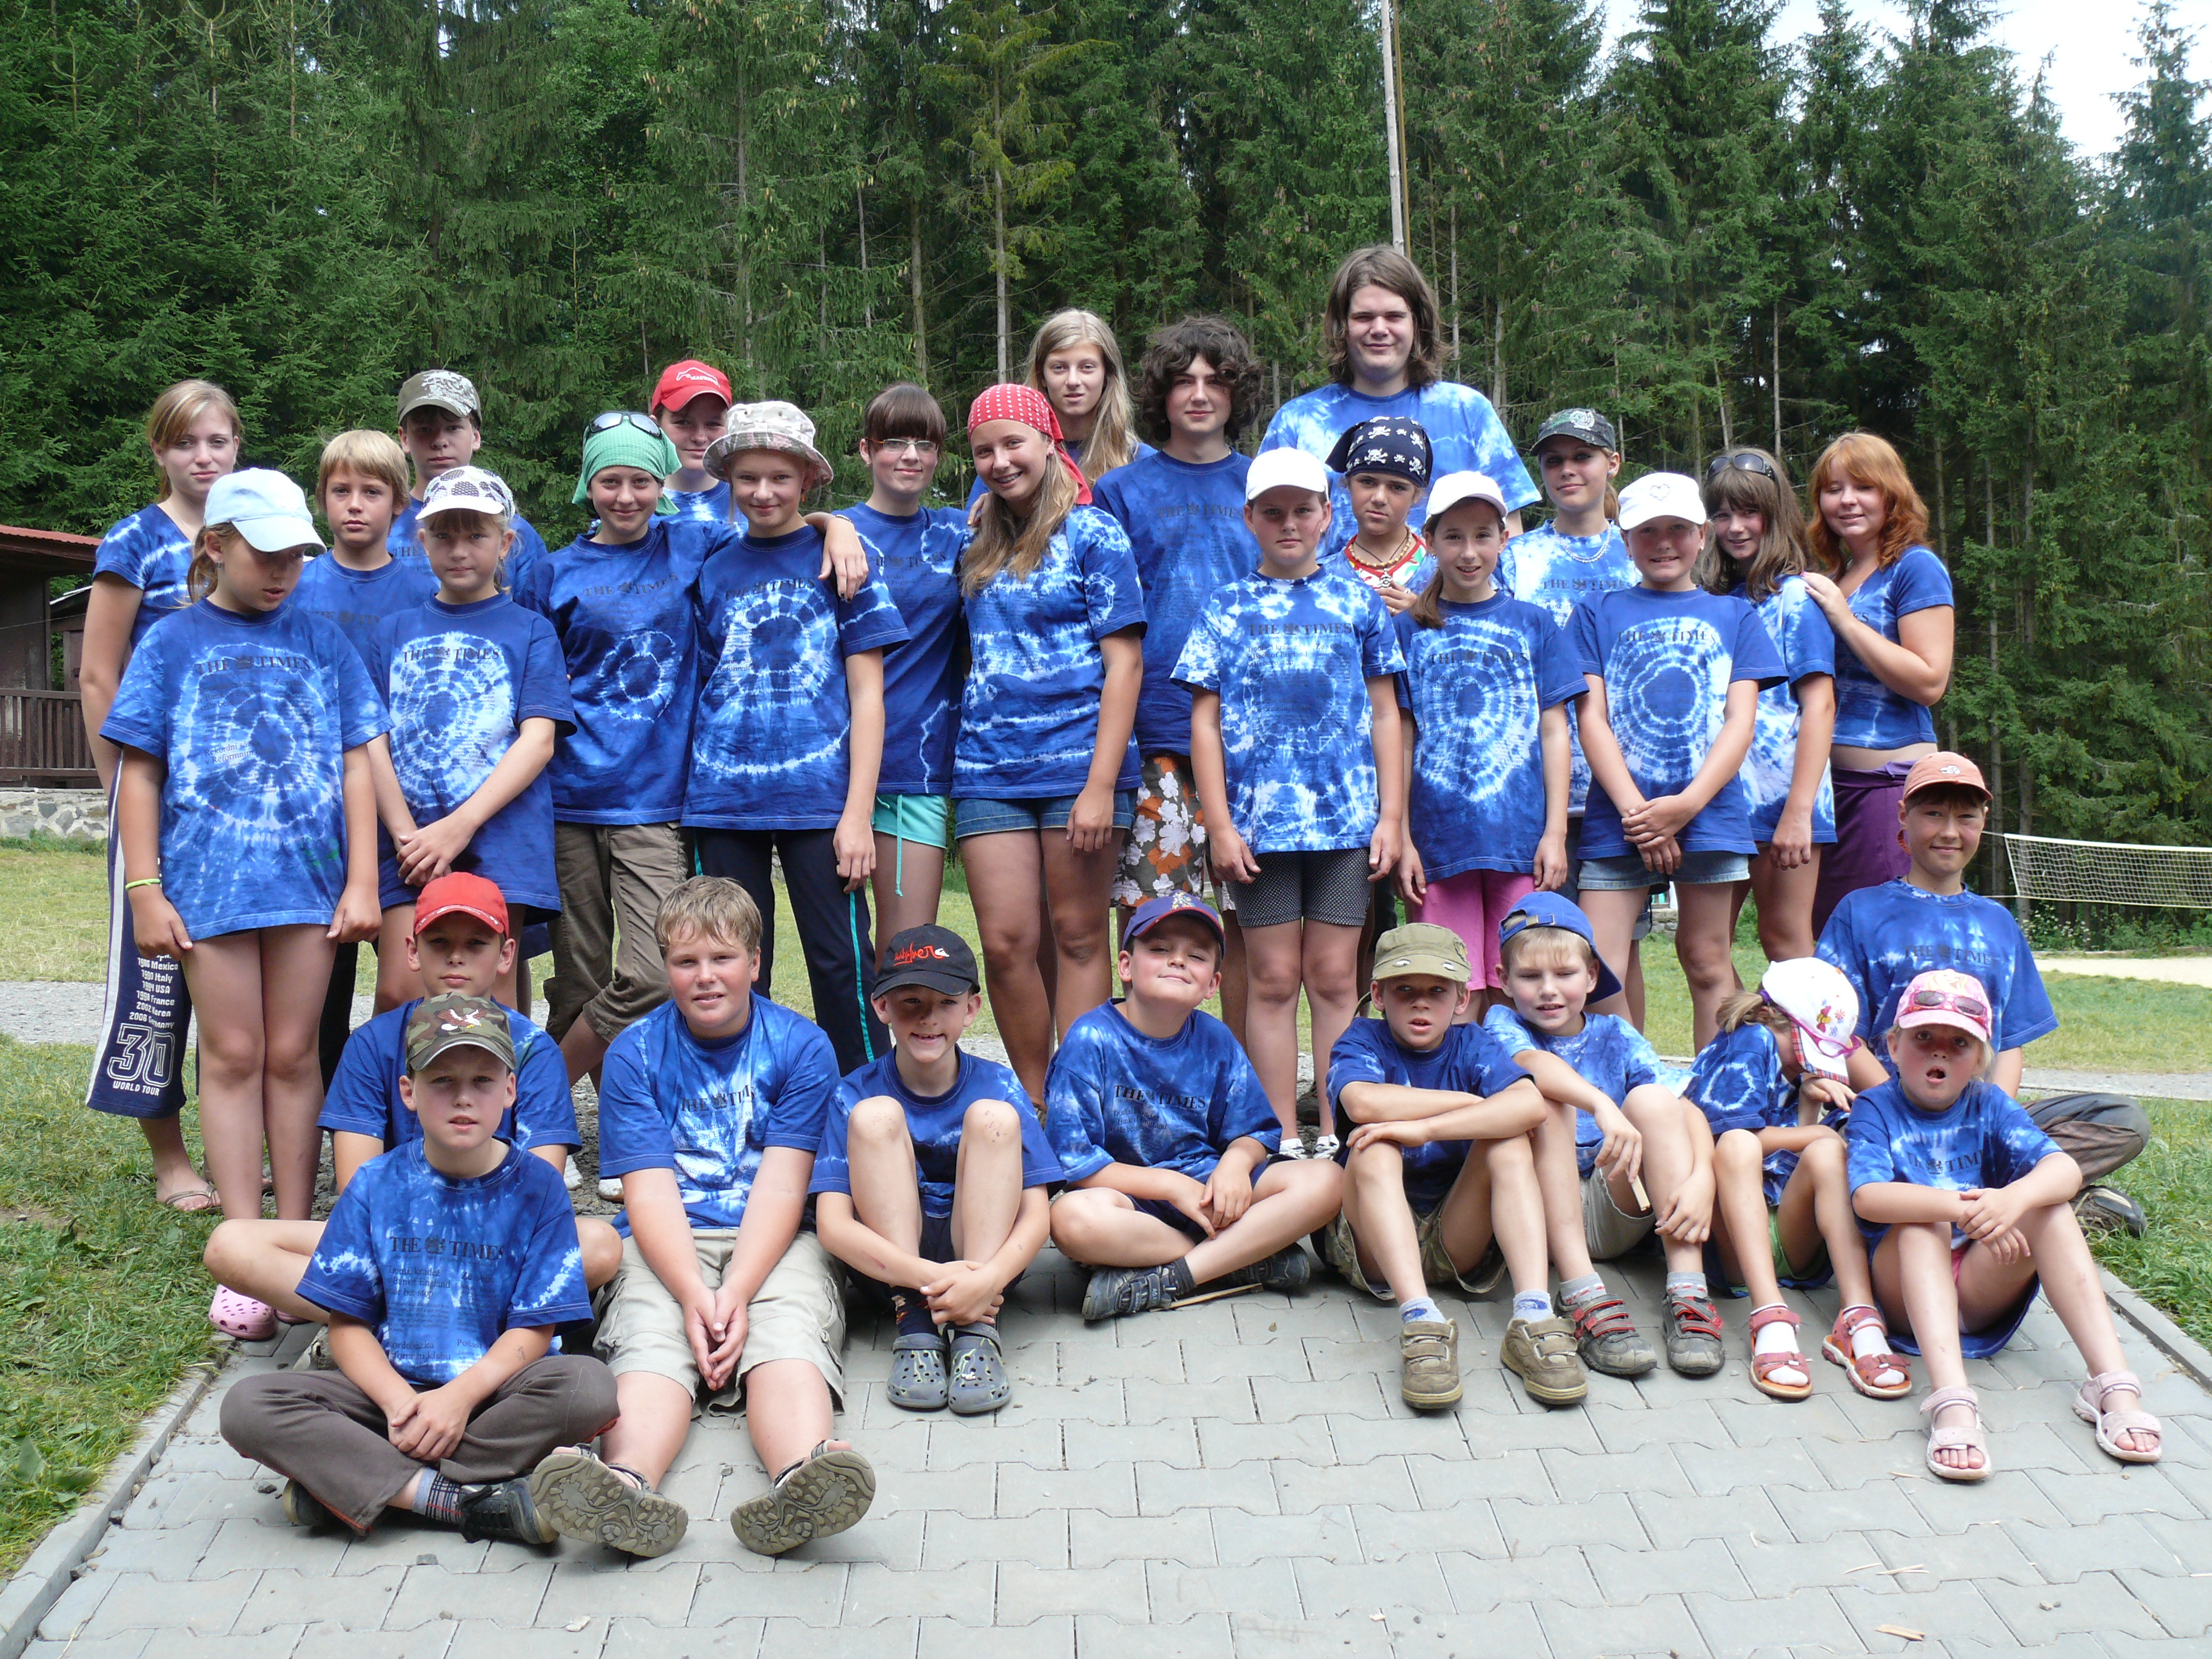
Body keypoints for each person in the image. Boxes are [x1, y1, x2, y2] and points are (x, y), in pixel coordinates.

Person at [102, 469, 386, 1332]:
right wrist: (144, 889)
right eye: (266, 555)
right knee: (231, 1055)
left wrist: (363, 880)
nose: (283, 572)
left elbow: (356, 764)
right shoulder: (170, 642)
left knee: (295, 1055)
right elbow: (140, 773)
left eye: (296, 556)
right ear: (214, 546)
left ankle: (293, 1239)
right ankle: (243, 1243)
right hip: (208, 888)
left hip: (307, 886)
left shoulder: (323, 640)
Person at [547, 876, 874, 1557]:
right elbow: (648, 1191)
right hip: (667, 1239)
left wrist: (738, 1292)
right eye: (685, 961)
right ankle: (626, 1485)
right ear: (665, 966)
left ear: (755, 962)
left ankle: (803, 1476)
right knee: (648, 1336)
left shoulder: (802, 1046)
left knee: (788, 1331)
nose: (705, 977)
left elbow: (783, 1187)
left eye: (723, 958)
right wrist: (696, 1295)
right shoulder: (635, 1051)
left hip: (778, 1237)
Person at [219, 995, 614, 1547]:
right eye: (442, 1081)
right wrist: (399, 1404)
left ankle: (355, 1481)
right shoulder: (374, 1184)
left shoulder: (539, 1186)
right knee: (247, 1406)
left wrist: (458, 1401)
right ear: (409, 1092)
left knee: (589, 1388)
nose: (463, 1098)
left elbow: (535, 1330)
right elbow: (347, 1326)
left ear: (510, 1091)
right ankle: (460, 1500)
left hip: (494, 1394)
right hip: (388, 1393)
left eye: (482, 1081)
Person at [201, 873, 623, 1332]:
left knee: (599, 1245)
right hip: (394, 1237)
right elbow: (356, 1183)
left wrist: (466, 1239)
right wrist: (419, 1243)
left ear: (506, 954)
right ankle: (469, 1319)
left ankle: (388, 1320)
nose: (457, 956)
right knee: (232, 1244)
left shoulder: (532, 1049)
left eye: (476, 943)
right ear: (412, 951)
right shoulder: (372, 1043)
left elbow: (540, 1186)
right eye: (439, 942)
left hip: (498, 1238)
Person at [1849, 970, 2162, 1480]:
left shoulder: (1988, 1103)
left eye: (1960, 1042)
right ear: (1893, 1045)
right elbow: (1868, 1198)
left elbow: (2063, 1170)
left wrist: (2011, 1201)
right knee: (1924, 1221)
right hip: (1904, 1291)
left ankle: (2111, 1382)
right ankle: (1952, 1399)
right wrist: (1961, 1208)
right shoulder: (1875, 1107)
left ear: (1980, 1059)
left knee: (2050, 1207)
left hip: (1979, 1285)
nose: (1940, 1051)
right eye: (1923, 1036)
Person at [1179, 447, 1404, 1156]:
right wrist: (1219, 825)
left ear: (1327, 515)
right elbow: (1204, 723)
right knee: (1273, 978)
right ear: (1249, 517)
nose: (1288, 523)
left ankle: (1339, 1128)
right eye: (1272, 511)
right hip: (1260, 830)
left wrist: (1391, 817)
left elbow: (1386, 713)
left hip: (1344, 826)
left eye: (1303, 510)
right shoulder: (1225, 606)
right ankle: (1278, 1131)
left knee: (1336, 977)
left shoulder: (1357, 603)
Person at [686, 402, 910, 1074]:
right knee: (729, 960)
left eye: (780, 478)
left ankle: (863, 1099)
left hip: (820, 801)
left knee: (841, 961)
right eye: (747, 478)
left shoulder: (845, 558)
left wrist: (858, 815)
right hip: (722, 798)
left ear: (807, 480)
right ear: (727, 478)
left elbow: (868, 696)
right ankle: (741, 1098)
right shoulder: (713, 565)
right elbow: (705, 678)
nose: (763, 492)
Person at [518, 416, 725, 1099]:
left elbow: (774, 529)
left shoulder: (691, 544)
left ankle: (538, 1097)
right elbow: (529, 679)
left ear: (661, 483)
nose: (627, 496)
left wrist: (833, 525)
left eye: (641, 480)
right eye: (611, 481)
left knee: (652, 973)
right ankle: (608, 1127)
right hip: (566, 797)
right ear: (589, 484)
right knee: (578, 979)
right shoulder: (554, 571)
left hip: (652, 799)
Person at [955, 384, 1145, 1102]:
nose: (1001, 461)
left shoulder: (1095, 534)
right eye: (984, 451)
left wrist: (1100, 785)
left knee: (1079, 937)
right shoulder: (971, 538)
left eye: (1014, 443)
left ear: (1047, 442)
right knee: (1006, 944)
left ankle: (1079, 1101)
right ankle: (1035, 1102)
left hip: (1079, 765)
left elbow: (1126, 664)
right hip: (988, 767)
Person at [78, 379, 243, 1205]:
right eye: (185, 443)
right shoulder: (133, 541)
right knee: (156, 978)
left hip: (239, 800)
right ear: (159, 450)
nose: (202, 457)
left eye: (217, 441)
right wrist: (120, 786)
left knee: (231, 976)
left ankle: (233, 1146)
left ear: (237, 447)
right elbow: (99, 673)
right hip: (155, 796)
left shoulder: (252, 533)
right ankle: (170, 1157)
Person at [1045, 896, 1343, 1320]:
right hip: (1131, 1202)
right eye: (1160, 949)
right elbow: (1075, 1164)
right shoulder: (1091, 1039)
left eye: (1197, 956)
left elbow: (1256, 1132)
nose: (1178, 961)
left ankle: (1173, 1277)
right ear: (1126, 966)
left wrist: (1235, 1165)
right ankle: (1239, 1259)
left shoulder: (1215, 1039)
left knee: (1327, 1181)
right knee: (1070, 1220)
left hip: (1209, 1193)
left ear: (1212, 985)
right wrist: (1170, 1187)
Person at [1324, 923, 1582, 1410]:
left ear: (1462, 999)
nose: (1420, 1004)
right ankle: (1420, 1322)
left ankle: (1533, 1315)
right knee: (1375, 1143)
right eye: (1405, 990)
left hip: (1456, 1235)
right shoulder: (1362, 1038)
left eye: (1437, 992)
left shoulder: (1473, 1043)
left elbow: (1530, 1106)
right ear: (1378, 995)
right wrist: (1468, 1104)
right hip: (1374, 1247)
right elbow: (1362, 1101)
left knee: (1509, 1141)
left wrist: (1425, 1128)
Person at [811, 925, 1061, 1415]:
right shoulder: (853, 1093)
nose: (928, 1018)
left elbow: (1037, 1215)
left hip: (984, 1273)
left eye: (946, 1002)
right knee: (876, 1116)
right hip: (893, 1276)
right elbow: (833, 1226)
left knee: (992, 1118)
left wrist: (988, 1281)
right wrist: (929, 1280)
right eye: (911, 1002)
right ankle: (917, 1328)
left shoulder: (1001, 1086)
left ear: (971, 1008)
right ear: (881, 1006)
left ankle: (976, 1332)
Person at [1572, 471, 1784, 1049]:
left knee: (1707, 958)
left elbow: (1740, 722)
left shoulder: (1737, 616)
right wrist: (1639, 815)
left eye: (1678, 529)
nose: (1663, 543)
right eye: (1647, 531)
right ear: (1625, 539)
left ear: (1702, 535)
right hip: (1619, 818)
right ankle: (1626, 1086)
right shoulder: (1595, 612)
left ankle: (1714, 1091)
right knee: (1597, 965)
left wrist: (1686, 806)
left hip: (1710, 816)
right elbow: (1592, 718)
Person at [366, 466, 571, 1014]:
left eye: (477, 535)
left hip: (501, 843)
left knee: (490, 1003)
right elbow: (372, 742)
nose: (460, 550)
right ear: (422, 540)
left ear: (505, 543)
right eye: (444, 535)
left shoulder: (532, 631)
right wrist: (408, 837)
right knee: (400, 992)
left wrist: (458, 828)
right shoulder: (391, 632)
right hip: (409, 848)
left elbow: (539, 741)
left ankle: (501, 1080)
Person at [1093, 318, 1260, 952]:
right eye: (1184, 380)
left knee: (1250, 933)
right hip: (1154, 731)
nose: (1199, 394)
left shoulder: (1266, 486)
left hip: (1251, 738)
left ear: (1237, 394)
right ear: (1160, 393)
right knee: (1153, 927)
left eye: (1216, 381)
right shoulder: (1119, 492)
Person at [1396, 472, 1581, 1015]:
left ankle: (1514, 1074)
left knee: (1518, 984)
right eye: (1453, 536)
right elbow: (1400, 736)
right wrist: (1403, 838)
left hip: (1520, 842)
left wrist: (1555, 832)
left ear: (1505, 538)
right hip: (1436, 845)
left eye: (1482, 535)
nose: (1469, 552)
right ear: (1429, 541)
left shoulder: (1535, 625)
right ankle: (1453, 1075)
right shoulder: (1408, 630)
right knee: (1447, 990)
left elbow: (1554, 730)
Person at [1684, 959, 1910, 1403]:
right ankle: (1769, 1314)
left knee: (1826, 1151)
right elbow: (1726, 1142)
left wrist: (1807, 1103)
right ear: (1771, 1017)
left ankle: (1858, 1314)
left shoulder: (1786, 1059)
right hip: (1733, 1242)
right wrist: (1815, 1133)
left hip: (1785, 1234)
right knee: (1743, 1143)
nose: (1809, 1063)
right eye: (1806, 1048)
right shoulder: (1749, 1042)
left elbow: (1786, 1161)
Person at [1495, 408, 1650, 1024]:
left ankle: (1629, 1067)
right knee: (1545, 948)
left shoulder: (1641, 553)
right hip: (1541, 790)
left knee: (1617, 956)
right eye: (1554, 460)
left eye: (1582, 457)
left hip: (1624, 788)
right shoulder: (1515, 558)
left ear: (1613, 463)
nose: (1567, 470)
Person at [295, 431, 440, 1087]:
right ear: (321, 498)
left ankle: (391, 1107)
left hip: (407, 810)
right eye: (341, 491)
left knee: (406, 983)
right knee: (318, 986)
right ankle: (323, 1116)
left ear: (400, 504)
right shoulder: (295, 585)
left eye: (372, 492)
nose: (355, 505)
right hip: (316, 811)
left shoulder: (425, 590)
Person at [1480, 894, 1666, 1379]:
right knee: (1545, 1098)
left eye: (1565, 974)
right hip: (1534, 1215)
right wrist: (1601, 1104)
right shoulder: (1501, 1023)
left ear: (1591, 976)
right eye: (1529, 976)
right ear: (1503, 980)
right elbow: (1532, 1064)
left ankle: (1689, 1288)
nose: (1548, 990)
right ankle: (1582, 1291)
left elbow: (1676, 1104)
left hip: (1610, 1208)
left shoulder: (1616, 1034)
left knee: (1656, 1101)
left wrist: (1699, 1182)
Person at [1259, 246, 1537, 554]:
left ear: (1417, 324)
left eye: (1394, 316)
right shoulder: (1297, 421)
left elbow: (1512, 539)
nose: (1379, 329)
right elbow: (1262, 537)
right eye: (1364, 317)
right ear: (1343, 327)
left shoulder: (1467, 412)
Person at [1818, 752, 2056, 1098]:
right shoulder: (1860, 912)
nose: (1949, 832)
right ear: (1903, 815)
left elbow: (2008, 1043)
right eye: (1934, 814)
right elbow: (1842, 1033)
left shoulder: (1999, 923)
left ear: (1984, 820)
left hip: (1978, 1120)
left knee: (2115, 1115)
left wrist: (1995, 1118)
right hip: (1879, 1115)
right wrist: (1896, 1112)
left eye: (1966, 817)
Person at [1798, 432, 1954, 935]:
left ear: (1892, 494)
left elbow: (1930, 681)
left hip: (1887, 790)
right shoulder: (1836, 576)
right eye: (1833, 489)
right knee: (1832, 938)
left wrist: (1846, 621)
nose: (1847, 500)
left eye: (1863, 487)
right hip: (1828, 794)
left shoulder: (1914, 566)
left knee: (1884, 936)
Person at [836, 384, 971, 944]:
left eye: (926, 444)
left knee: (907, 950)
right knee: (838, 953)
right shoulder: (834, 531)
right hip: (829, 768)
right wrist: (827, 523)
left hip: (917, 767)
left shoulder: (957, 532)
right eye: (894, 442)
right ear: (867, 450)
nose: (911, 455)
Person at [1698, 449, 1837, 963]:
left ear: (1774, 514)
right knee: (1702, 947)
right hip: (1720, 799)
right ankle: (1745, 1024)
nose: (1735, 528)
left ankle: (1814, 1023)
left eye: (1748, 512)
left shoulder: (1796, 598)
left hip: (1784, 799)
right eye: (1721, 514)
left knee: (1784, 939)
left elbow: (1820, 706)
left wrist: (1799, 813)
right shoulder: (1712, 601)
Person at [387, 370, 552, 585]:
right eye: (425, 429)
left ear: (475, 436)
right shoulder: (384, 525)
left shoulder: (511, 529)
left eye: (453, 428)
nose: (440, 441)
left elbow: (534, 602)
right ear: (405, 439)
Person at [1025, 309, 1151, 484]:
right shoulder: (1012, 462)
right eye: (1059, 368)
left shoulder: (1141, 463)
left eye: (1087, 367)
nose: (1073, 381)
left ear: (1107, 375)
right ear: (1042, 376)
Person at [1327, 415, 1433, 614]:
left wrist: (1425, 616)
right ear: (1348, 485)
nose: (1379, 498)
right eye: (1368, 482)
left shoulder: (1444, 571)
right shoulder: (1324, 577)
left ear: (1416, 495)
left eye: (1397, 487)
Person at [651, 358, 735, 521]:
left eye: (713, 424)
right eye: (683, 423)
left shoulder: (752, 502)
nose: (700, 438)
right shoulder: (632, 507)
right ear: (655, 426)